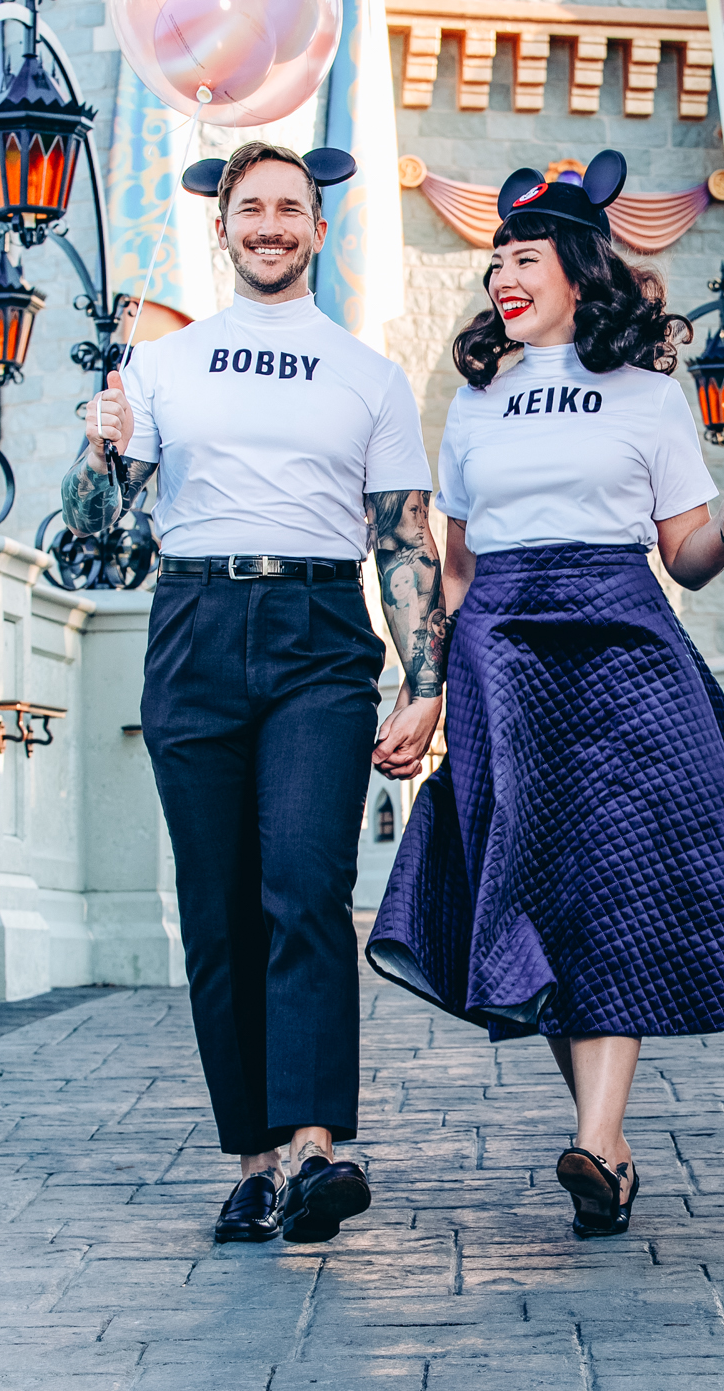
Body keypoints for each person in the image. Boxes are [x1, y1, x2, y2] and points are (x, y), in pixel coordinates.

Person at [367, 152, 724, 1237]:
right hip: (504, 648)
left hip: (623, 642)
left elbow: (682, 557)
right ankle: (605, 1147)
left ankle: (598, 1144)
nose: (502, 275)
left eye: (524, 256)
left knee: (623, 881)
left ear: (575, 270)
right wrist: (435, 684)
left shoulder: (651, 397)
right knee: (542, 890)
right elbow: (454, 569)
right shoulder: (473, 402)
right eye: (494, 259)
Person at [61, 140, 444, 1246]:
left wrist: (425, 682)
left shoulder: (365, 375)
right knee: (219, 908)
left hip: (320, 632)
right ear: (222, 229)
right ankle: (255, 1162)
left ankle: (318, 1148)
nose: (271, 225)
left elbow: (403, 539)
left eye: (291, 208)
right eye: (251, 208)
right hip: (193, 625)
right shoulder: (161, 369)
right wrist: (99, 448)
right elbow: (93, 524)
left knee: (306, 882)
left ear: (318, 230)